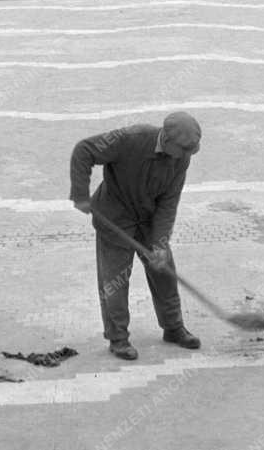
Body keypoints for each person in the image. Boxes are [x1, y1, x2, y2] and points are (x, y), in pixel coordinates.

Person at [69, 112, 203, 361]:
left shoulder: (181, 159)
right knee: (115, 282)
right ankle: (118, 338)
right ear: (166, 139)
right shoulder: (131, 139)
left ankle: (173, 328)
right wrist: (80, 193)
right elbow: (84, 150)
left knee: (164, 272)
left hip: (149, 219)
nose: (185, 157)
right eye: (183, 151)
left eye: (189, 152)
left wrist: (160, 243)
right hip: (115, 217)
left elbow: (168, 202)